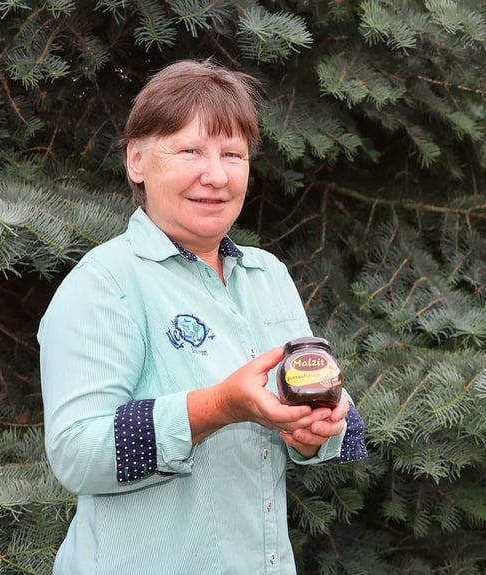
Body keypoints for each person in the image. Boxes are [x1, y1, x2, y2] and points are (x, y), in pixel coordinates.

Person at [38, 59, 366, 575]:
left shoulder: (268, 275)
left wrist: (320, 427)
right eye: (190, 150)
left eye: (232, 154)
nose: (215, 175)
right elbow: (76, 454)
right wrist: (218, 406)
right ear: (137, 161)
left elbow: (313, 394)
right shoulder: (104, 283)